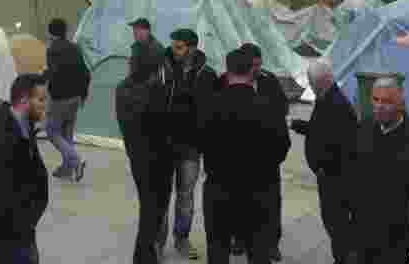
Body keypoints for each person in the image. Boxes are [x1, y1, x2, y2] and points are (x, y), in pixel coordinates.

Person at [198, 48, 290, 264]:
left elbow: (200, 141)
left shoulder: (210, 105)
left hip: (219, 190)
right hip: (258, 190)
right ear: (251, 71)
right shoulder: (268, 108)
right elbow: (282, 146)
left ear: (227, 71)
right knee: (258, 251)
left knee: (218, 249)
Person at [352, 77, 409, 264]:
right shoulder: (363, 129)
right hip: (364, 236)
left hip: (399, 243)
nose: (379, 106)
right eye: (376, 99)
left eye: (387, 101)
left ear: (401, 104)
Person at [0, 73, 50, 264]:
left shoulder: (25, 128)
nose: (45, 105)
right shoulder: (2, 139)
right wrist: (10, 228)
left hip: (21, 233)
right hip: (5, 239)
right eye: (40, 99)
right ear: (24, 100)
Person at [290, 60, 358, 264]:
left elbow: (342, 145)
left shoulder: (337, 104)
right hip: (328, 175)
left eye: (312, 83)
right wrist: (299, 125)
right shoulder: (325, 97)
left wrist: (322, 167)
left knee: (336, 225)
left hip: (334, 179)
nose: (311, 87)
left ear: (323, 81)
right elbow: (321, 131)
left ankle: (344, 258)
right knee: (333, 224)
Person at [160, 28, 219, 260]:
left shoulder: (207, 74)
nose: (174, 51)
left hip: (191, 148)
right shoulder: (162, 69)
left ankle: (182, 239)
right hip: (164, 145)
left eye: (179, 47)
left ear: (192, 48)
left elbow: (212, 113)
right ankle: (157, 241)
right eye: (174, 46)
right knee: (162, 197)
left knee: (185, 197)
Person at [116, 33, 173, 264]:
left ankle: (146, 253)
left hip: (137, 157)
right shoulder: (154, 91)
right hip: (156, 159)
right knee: (154, 211)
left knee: (150, 209)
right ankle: (143, 256)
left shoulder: (123, 88)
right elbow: (162, 125)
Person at [237, 42, 288, 261]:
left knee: (271, 201)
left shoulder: (269, 80)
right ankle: (240, 238)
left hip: (267, 156)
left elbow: (282, 108)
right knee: (241, 199)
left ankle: (271, 243)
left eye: (259, 64)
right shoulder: (232, 80)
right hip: (241, 156)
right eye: (253, 65)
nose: (257, 69)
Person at [44, 18, 91, 182]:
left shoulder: (52, 50)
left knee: (51, 131)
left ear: (51, 33)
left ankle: (77, 161)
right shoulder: (75, 48)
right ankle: (67, 168)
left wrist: (43, 79)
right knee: (67, 134)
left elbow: (54, 74)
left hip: (60, 98)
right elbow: (86, 73)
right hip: (76, 98)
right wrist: (83, 95)